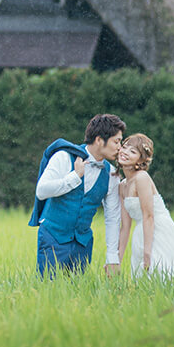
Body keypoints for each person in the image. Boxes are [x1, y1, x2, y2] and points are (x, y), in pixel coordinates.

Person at [29, 113, 125, 277]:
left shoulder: (112, 174)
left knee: (76, 296)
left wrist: (112, 258)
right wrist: (74, 177)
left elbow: (112, 217)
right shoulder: (64, 156)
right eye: (116, 141)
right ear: (99, 140)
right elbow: (42, 190)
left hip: (82, 244)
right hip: (53, 237)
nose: (120, 147)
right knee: (48, 294)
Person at [116, 133, 174, 281]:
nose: (125, 152)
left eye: (133, 151)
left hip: (158, 230)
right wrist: (116, 260)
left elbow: (148, 216)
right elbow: (125, 227)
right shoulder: (122, 186)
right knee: (143, 282)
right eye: (124, 147)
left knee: (160, 273)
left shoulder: (141, 178)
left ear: (141, 161)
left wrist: (147, 252)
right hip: (140, 233)